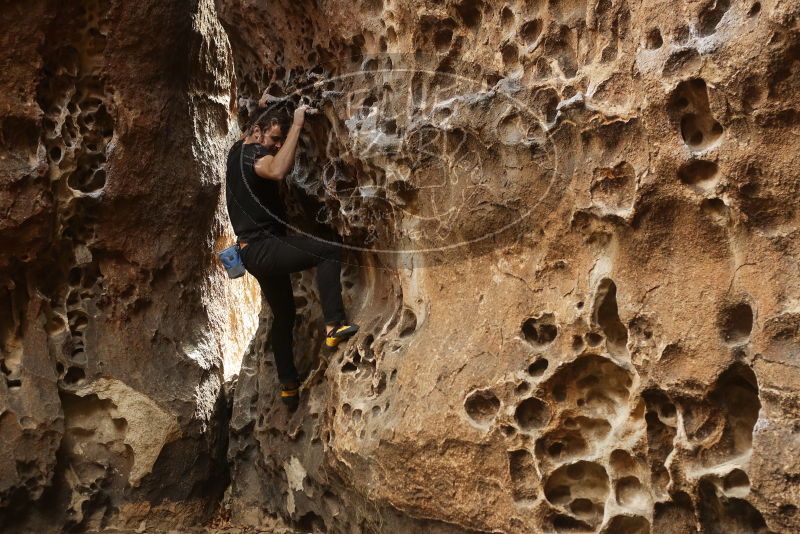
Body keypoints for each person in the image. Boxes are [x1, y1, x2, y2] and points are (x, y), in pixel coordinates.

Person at [225, 103, 359, 409]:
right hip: (263, 249)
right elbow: (276, 170)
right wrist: (297, 124)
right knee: (328, 251)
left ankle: (288, 385)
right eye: (273, 138)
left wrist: (263, 104)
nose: (275, 145)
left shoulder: (235, 151)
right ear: (257, 134)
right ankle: (334, 325)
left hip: (250, 254)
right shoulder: (254, 156)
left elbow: (254, 127)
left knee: (284, 315)